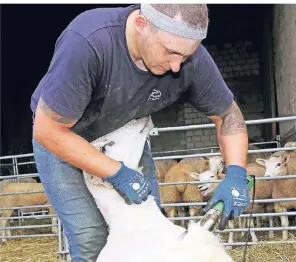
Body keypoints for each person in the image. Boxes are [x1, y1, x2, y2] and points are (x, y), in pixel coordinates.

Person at [30, 4, 250, 262]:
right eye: (170, 52)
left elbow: (228, 115)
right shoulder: (89, 42)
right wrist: (116, 172)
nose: (177, 66)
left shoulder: (187, 56)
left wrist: (235, 173)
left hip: (126, 135)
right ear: (141, 25)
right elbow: (48, 130)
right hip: (63, 138)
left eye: (186, 56)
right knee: (91, 240)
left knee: (150, 235)